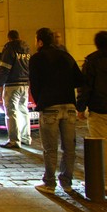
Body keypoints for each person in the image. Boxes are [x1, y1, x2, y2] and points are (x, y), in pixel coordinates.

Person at [29, 27, 84, 195]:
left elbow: (35, 84)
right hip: (68, 106)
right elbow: (79, 80)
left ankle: (50, 183)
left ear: (40, 41)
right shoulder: (66, 56)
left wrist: (41, 101)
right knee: (69, 147)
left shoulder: (37, 58)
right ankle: (66, 181)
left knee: (50, 148)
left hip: (49, 107)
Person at [76, 31, 107, 186]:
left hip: (99, 108)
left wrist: (80, 107)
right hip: (99, 106)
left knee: (101, 145)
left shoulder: (92, 61)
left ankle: (104, 181)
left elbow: (86, 86)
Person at [0, 30, 32, 149]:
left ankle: (14, 140)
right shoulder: (26, 48)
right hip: (24, 84)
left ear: (9, 38)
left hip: (12, 84)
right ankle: (26, 137)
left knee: (11, 112)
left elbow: (5, 68)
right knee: (23, 110)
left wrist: (0, 84)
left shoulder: (9, 48)